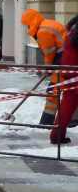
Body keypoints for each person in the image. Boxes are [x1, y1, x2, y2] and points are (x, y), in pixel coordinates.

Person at [22, 8, 67, 126]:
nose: (27, 28)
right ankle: (72, 120)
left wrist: (48, 68)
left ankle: (46, 122)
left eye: (27, 25)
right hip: (64, 59)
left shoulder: (43, 31)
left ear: (31, 22)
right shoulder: (47, 24)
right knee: (68, 91)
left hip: (64, 61)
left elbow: (49, 53)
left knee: (53, 91)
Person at [51, 15, 78, 145]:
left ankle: (56, 135)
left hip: (69, 69)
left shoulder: (73, 29)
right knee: (68, 104)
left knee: (67, 105)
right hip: (75, 70)